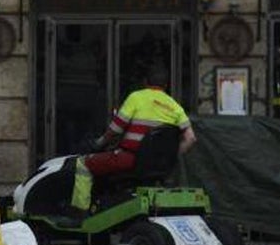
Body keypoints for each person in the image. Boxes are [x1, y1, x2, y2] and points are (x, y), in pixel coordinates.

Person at [70, 73, 196, 210]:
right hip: (159, 166)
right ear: (166, 86)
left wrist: (99, 143)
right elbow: (191, 138)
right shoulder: (175, 106)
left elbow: (115, 129)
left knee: (83, 163)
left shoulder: (136, 97)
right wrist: (170, 157)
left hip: (131, 159)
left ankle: (79, 211)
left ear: (145, 82)